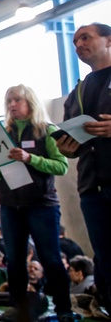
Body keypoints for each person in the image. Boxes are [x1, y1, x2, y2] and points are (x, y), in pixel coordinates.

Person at [0, 84, 77, 322]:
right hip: (10, 205)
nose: (12, 105)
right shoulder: (4, 134)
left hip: (41, 205)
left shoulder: (47, 131)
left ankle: (63, 308)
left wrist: (29, 158)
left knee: (50, 258)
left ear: (30, 102)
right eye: (9, 101)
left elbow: (61, 166)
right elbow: (0, 173)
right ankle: (18, 308)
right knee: (14, 260)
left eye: (17, 100)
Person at [57, 22, 111, 313]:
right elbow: (73, 143)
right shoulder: (75, 93)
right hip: (91, 186)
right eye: (75, 41)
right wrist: (69, 149)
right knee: (104, 254)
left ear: (108, 41)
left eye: (86, 37)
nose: (78, 44)